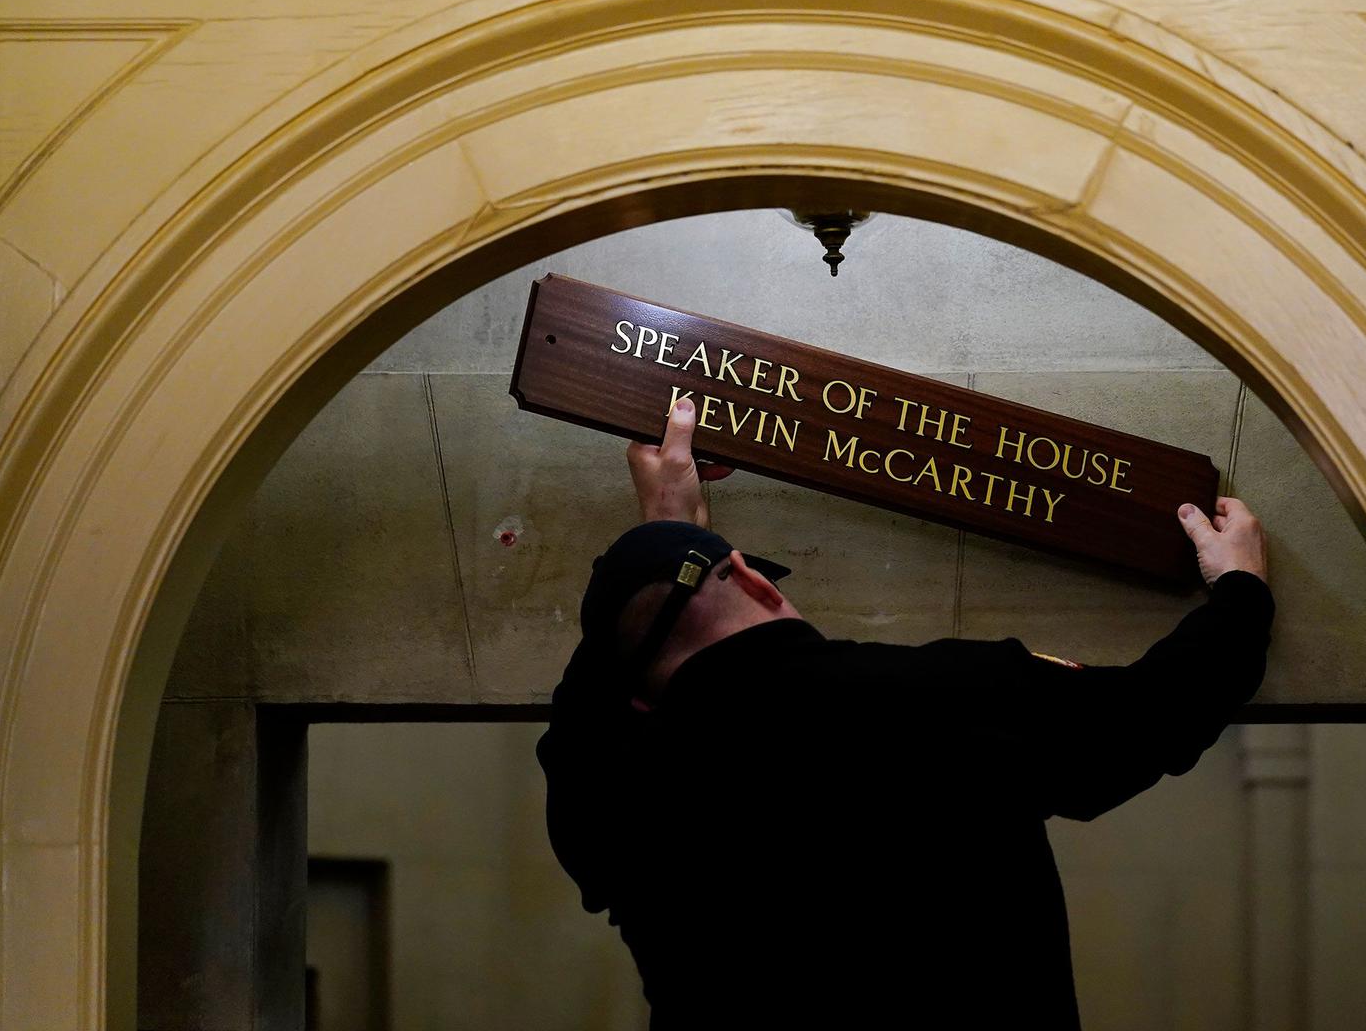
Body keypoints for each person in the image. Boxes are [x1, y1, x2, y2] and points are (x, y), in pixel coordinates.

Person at [538, 398, 1275, 1030]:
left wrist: (657, 544)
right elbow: (1146, 719)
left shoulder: (613, 798)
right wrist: (1240, 591)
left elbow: (576, 728)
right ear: (759, 589)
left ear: (635, 692)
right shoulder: (940, 693)